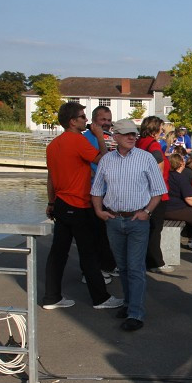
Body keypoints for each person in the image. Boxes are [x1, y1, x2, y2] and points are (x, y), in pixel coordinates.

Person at [42, 102, 122, 311]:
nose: (86, 120)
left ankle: (51, 297)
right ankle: (100, 298)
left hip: (61, 204)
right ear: (72, 121)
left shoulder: (53, 145)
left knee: (58, 252)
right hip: (79, 203)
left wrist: (51, 202)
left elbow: (50, 178)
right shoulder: (77, 140)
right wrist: (98, 137)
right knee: (89, 253)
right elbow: (104, 160)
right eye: (82, 116)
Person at [90, 119, 167, 332]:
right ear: (115, 137)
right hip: (114, 219)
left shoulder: (146, 158)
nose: (132, 137)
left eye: (134, 134)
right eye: (126, 134)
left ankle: (135, 313)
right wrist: (99, 211)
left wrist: (147, 212)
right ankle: (129, 304)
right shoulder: (107, 161)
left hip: (136, 220)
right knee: (123, 267)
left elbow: (158, 190)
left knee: (135, 268)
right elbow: (96, 189)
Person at [82, 105, 118, 280]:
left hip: (104, 192)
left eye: (109, 120)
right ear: (94, 119)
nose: (107, 123)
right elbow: (98, 163)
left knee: (103, 232)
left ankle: (107, 265)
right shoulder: (87, 138)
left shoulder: (105, 137)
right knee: (94, 234)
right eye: (103, 119)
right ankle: (92, 272)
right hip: (90, 193)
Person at [137, 116, 173, 274]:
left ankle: (146, 260)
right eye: (161, 129)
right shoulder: (153, 145)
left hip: (142, 192)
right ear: (156, 129)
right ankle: (155, 262)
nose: (162, 132)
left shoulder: (139, 142)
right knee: (154, 229)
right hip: (156, 194)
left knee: (144, 229)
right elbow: (158, 171)